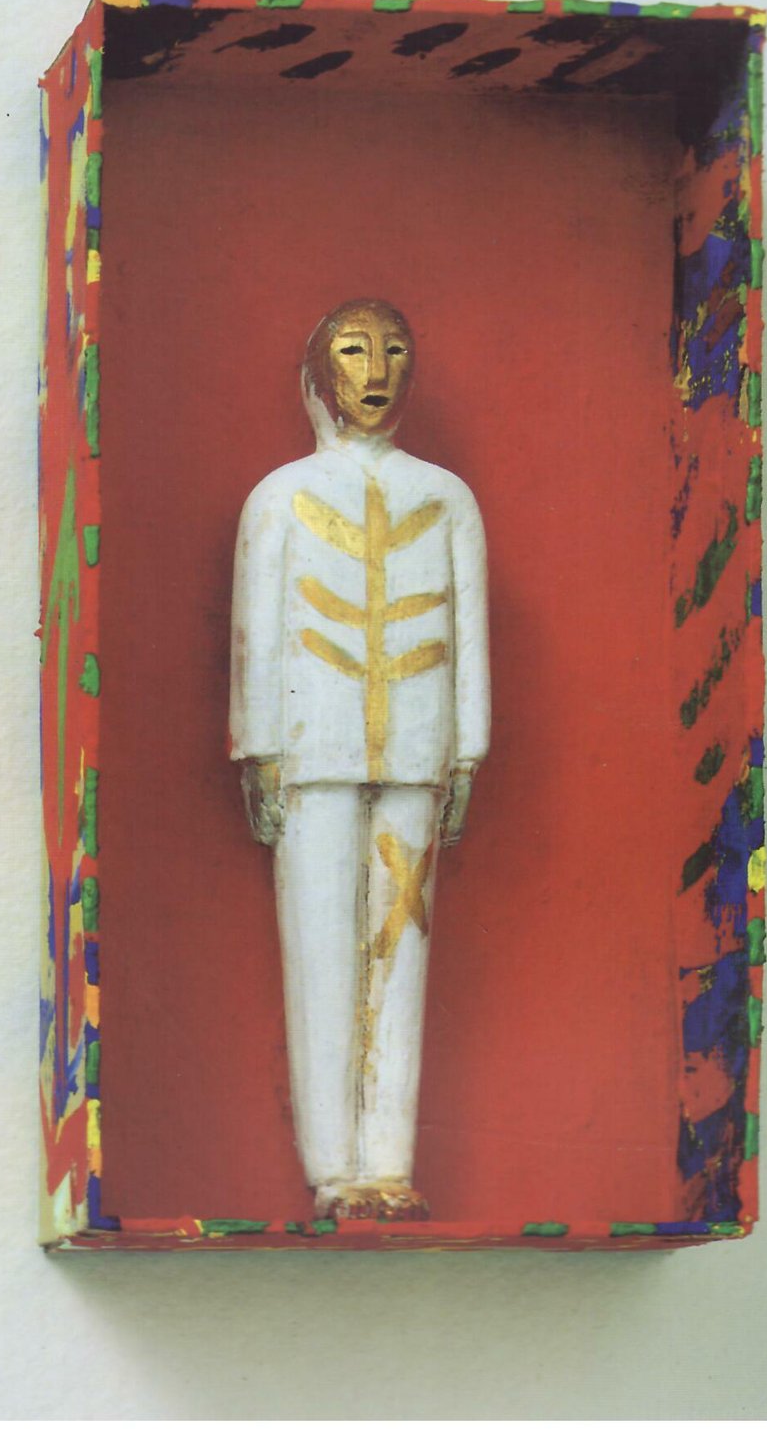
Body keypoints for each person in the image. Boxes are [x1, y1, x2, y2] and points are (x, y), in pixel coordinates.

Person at [229, 298, 490, 1220]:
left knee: (401, 950)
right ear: (318, 375)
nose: (375, 372)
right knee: (319, 948)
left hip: (418, 745)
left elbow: (469, 627)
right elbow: (259, 631)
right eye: (352, 351)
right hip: (315, 750)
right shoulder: (280, 496)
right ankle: (334, 1165)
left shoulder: (446, 497)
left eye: (392, 351)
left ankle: (388, 1159)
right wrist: (260, 748)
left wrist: (467, 750)